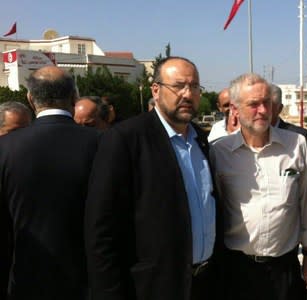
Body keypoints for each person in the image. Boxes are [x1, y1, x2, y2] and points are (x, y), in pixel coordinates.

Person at [85, 56, 222, 300]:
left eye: (194, 87)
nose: (188, 95)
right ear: (156, 90)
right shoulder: (126, 139)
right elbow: (102, 229)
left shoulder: (201, 140)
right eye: (179, 86)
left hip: (204, 283)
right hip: (152, 287)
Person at [210, 73, 307, 300]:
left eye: (266, 102)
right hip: (237, 271)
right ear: (235, 109)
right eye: (253, 104)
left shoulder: (295, 145)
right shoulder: (219, 152)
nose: (262, 110)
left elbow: (306, 202)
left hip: (284, 269)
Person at [0, 66, 98, 299]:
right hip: (90, 281)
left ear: (30, 98)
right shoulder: (104, 143)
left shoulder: (5, 149)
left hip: (25, 280)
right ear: (75, 97)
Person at [270, 84, 307, 202]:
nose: (262, 110)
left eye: (268, 105)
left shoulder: (298, 137)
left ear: (279, 108)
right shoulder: (250, 134)